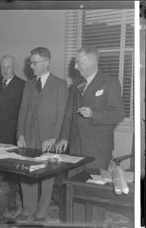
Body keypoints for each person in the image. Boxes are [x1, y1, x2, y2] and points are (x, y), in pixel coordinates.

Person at [56, 46, 125, 223]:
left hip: (98, 150)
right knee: (75, 192)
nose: (75, 67)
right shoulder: (76, 85)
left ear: (92, 61)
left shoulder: (109, 82)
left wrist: (94, 114)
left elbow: (118, 114)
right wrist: (64, 137)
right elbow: (69, 114)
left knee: (94, 195)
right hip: (76, 147)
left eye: (78, 62)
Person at [16, 47, 68, 222]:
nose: (31, 66)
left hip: (48, 138)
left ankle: (41, 212)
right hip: (28, 136)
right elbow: (22, 111)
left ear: (47, 62)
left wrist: (54, 137)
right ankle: (27, 209)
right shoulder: (28, 84)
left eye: (34, 62)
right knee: (26, 172)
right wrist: (20, 134)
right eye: (30, 62)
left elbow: (62, 114)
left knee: (46, 175)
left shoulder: (60, 84)